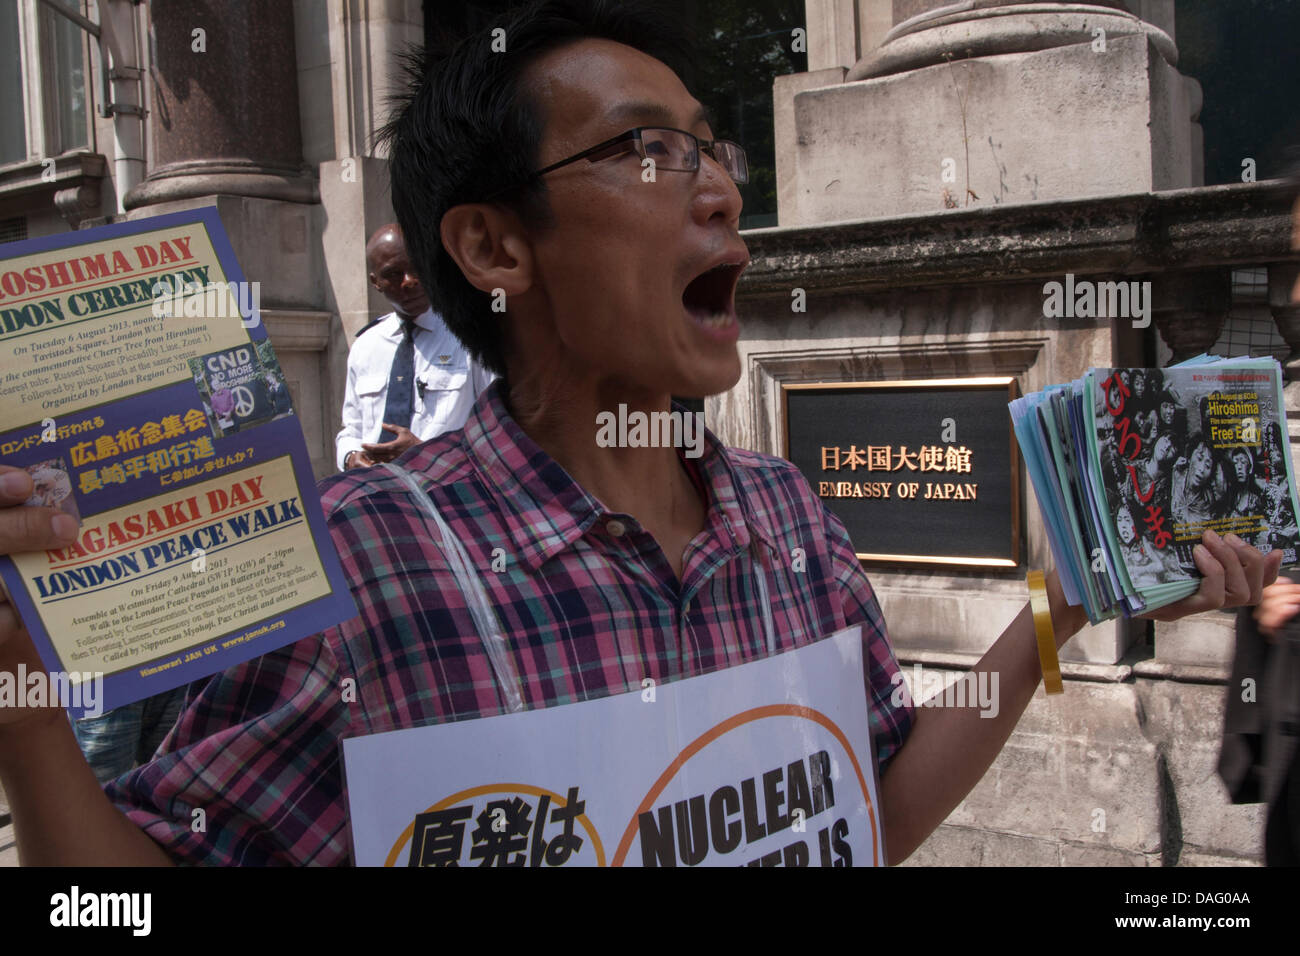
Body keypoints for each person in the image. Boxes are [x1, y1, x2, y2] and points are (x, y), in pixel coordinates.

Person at [0, 0, 1280, 867]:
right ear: (494, 247)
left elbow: (865, 814)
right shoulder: (364, 567)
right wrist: (23, 699)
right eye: (644, 151)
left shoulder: (786, 517)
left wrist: (1054, 610)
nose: (721, 189)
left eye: (710, 148)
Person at [335, 223, 494, 470]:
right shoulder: (365, 347)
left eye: (417, 268)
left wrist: (426, 454)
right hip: (380, 494)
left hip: (448, 492)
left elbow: (499, 426)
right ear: (375, 281)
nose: (410, 281)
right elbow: (352, 429)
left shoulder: (471, 336)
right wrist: (350, 457)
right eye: (394, 274)